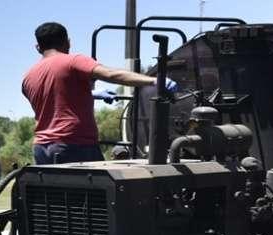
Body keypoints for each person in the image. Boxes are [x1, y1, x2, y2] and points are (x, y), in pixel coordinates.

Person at [22, 21, 178, 165]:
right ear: (68, 42)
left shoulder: (28, 77)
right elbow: (111, 74)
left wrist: (92, 94)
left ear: (38, 47)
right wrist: (154, 81)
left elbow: (54, 99)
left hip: (41, 148)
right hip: (74, 145)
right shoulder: (73, 61)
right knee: (95, 187)